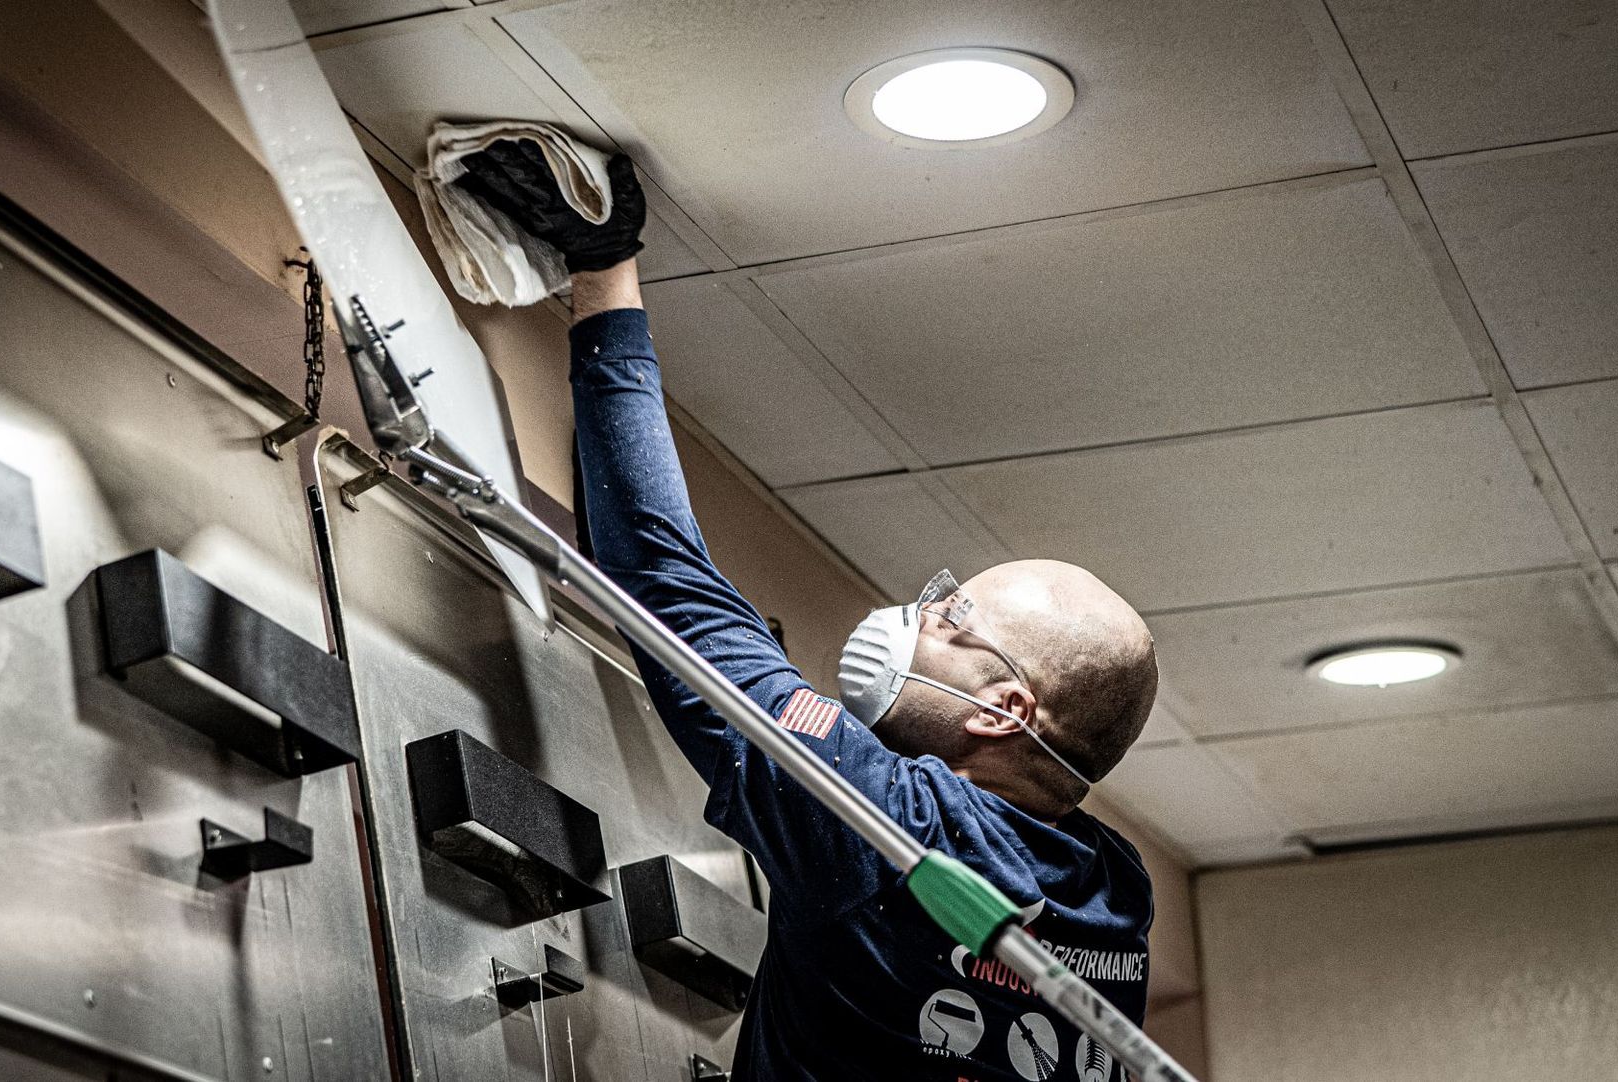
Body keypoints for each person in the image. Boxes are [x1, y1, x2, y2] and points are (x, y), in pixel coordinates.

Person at [458, 143, 1161, 1082]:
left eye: (951, 617)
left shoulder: (891, 825)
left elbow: (669, 589)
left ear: (1003, 712)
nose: (915, 615)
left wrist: (605, 265)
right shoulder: (1112, 895)